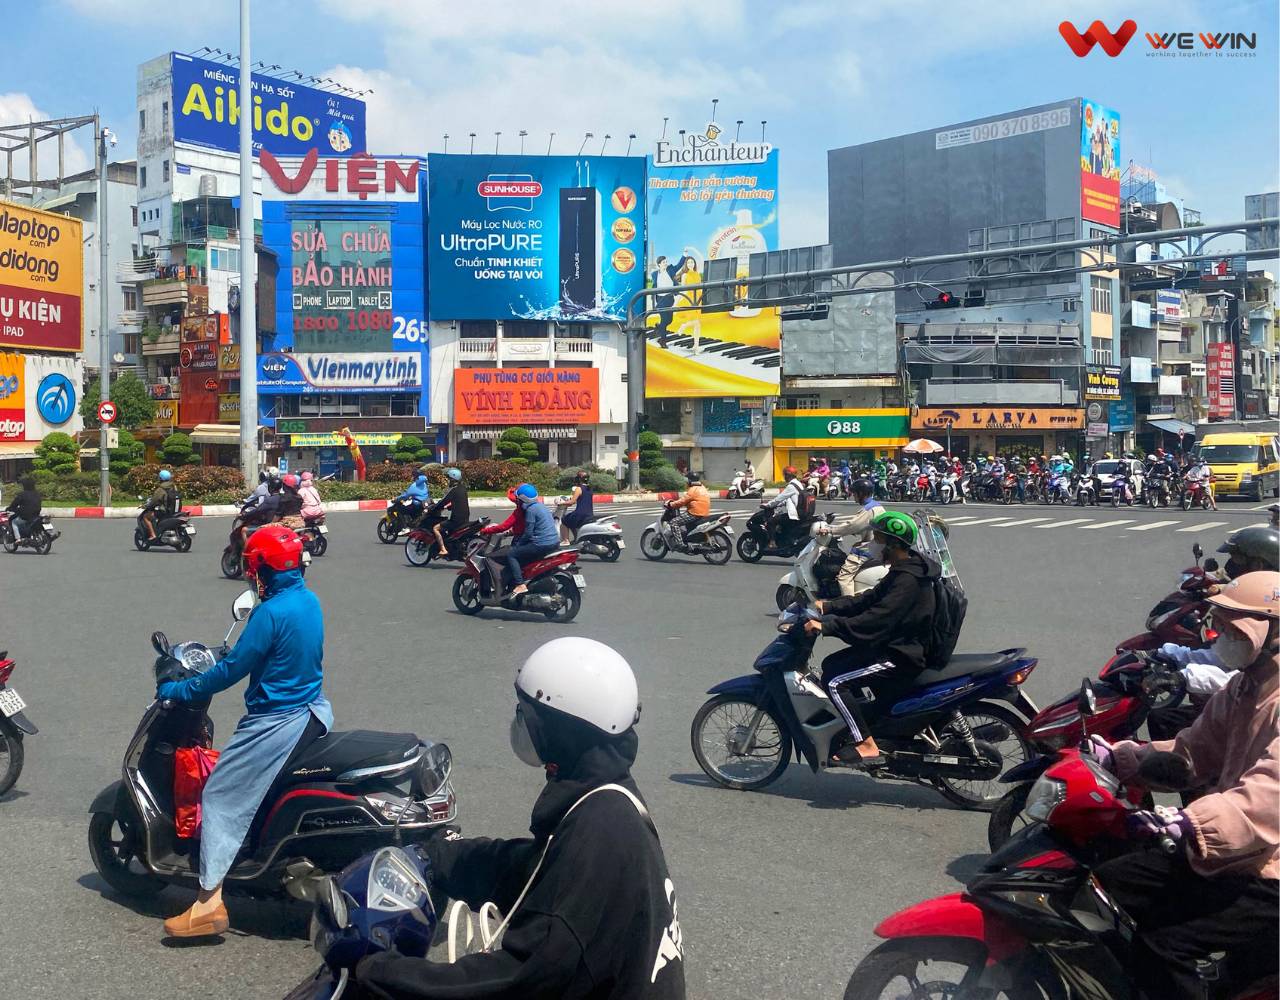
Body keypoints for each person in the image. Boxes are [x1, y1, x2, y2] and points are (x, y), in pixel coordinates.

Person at [354, 638, 685, 999]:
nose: (520, 722)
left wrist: (380, 973)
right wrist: (440, 856)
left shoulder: (599, 834)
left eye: (527, 714)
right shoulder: (608, 799)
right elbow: (532, 869)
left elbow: (520, 978)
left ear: (560, 729)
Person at [1090, 571, 1279, 999]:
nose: (1224, 637)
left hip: (1268, 868)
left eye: (1237, 628)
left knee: (1162, 944)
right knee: (1105, 883)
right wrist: (1123, 759)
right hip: (1238, 851)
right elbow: (1193, 752)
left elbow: (1269, 796)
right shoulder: (1243, 688)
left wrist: (1191, 822)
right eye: (1223, 625)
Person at [156, 525, 331, 938]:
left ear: (263, 568)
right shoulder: (308, 600)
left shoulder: (269, 613)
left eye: (254, 567)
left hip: (276, 721)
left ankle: (207, 905)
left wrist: (179, 690)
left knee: (219, 794)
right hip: (314, 711)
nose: (252, 574)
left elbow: (230, 672)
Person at [805, 511, 938, 766]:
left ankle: (866, 744)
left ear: (894, 544)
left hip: (901, 653)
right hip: (896, 644)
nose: (874, 544)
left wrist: (828, 627)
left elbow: (876, 619)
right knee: (831, 664)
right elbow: (869, 599)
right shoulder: (904, 570)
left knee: (835, 682)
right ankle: (866, 719)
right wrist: (828, 606)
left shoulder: (907, 579)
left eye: (879, 539)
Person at [1151, 526, 1280, 738]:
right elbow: (1223, 659)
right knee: (1163, 720)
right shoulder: (1242, 678)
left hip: (1252, 725)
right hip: (1237, 712)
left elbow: (1236, 679)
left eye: (1236, 559)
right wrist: (1167, 653)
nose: (1230, 565)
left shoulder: (1268, 697)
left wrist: (1183, 677)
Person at [824, 480, 885, 595]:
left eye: (855, 494)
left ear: (861, 493)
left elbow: (851, 526)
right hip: (876, 545)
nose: (854, 497)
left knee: (844, 577)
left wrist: (830, 530)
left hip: (869, 548)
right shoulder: (876, 506)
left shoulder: (869, 509)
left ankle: (849, 603)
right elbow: (861, 526)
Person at [506, 484, 559, 597]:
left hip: (541, 544)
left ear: (522, 500)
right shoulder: (541, 506)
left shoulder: (531, 510)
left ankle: (520, 584)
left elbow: (528, 533)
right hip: (554, 542)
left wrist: (518, 545)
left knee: (512, 554)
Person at [427, 467, 470, 555]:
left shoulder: (453, 490)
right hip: (465, 518)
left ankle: (443, 549)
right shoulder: (463, 489)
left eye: (449, 478)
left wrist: (434, 508)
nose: (448, 481)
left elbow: (443, 501)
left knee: (435, 528)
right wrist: (448, 507)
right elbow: (458, 502)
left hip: (456, 520)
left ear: (453, 479)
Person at [762, 466, 805, 547]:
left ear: (788, 475)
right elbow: (787, 499)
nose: (784, 477)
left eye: (785, 475)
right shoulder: (798, 484)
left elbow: (779, 498)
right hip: (802, 512)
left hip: (795, 515)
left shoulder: (791, 486)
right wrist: (778, 505)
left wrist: (768, 505)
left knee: (771, 521)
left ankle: (772, 543)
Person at [667, 472, 711, 545]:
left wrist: (671, 504)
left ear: (690, 480)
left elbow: (682, 501)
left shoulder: (693, 490)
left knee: (673, 523)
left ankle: (680, 545)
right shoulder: (702, 487)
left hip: (694, 513)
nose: (686, 482)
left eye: (687, 480)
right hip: (704, 512)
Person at [141, 469, 180, 541]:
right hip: (175, 511)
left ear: (161, 478)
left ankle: (153, 535)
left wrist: (149, 506)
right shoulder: (174, 487)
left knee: (146, 516)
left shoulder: (161, 489)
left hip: (165, 511)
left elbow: (155, 500)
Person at [559, 469, 594, 544]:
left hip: (580, 514)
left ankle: (565, 540)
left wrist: (561, 503)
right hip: (589, 514)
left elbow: (572, 502)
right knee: (571, 521)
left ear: (579, 479)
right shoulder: (590, 488)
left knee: (564, 520)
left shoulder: (579, 489)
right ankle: (576, 539)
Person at [4, 475, 42, 540]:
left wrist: (9, 508)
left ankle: (18, 539)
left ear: (25, 486)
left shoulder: (22, 494)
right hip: (36, 515)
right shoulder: (37, 494)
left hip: (25, 516)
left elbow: (14, 504)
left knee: (13, 522)